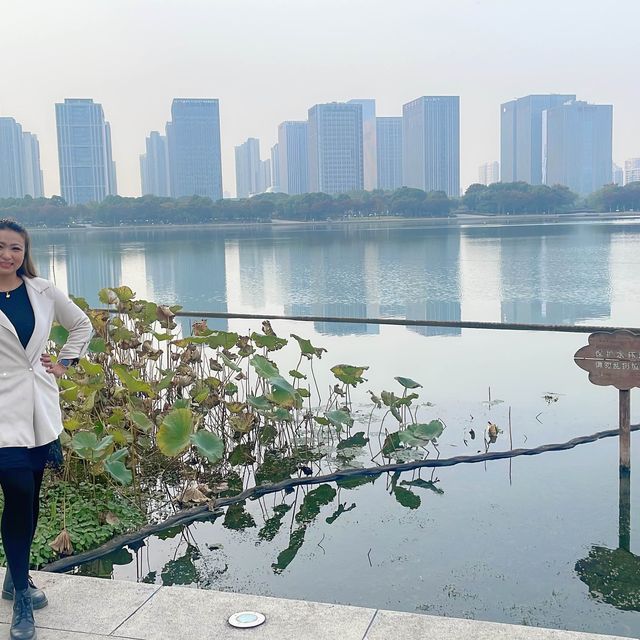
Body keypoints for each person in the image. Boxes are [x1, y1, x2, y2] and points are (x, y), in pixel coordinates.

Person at [0, 219, 92, 640]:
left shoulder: (43, 290)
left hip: (38, 409)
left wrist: (66, 363)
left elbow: (82, 325)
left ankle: (12, 574)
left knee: (30, 497)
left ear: (25, 252)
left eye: (15, 248)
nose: (7, 255)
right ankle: (22, 594)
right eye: (0, 246)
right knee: (17, 494)